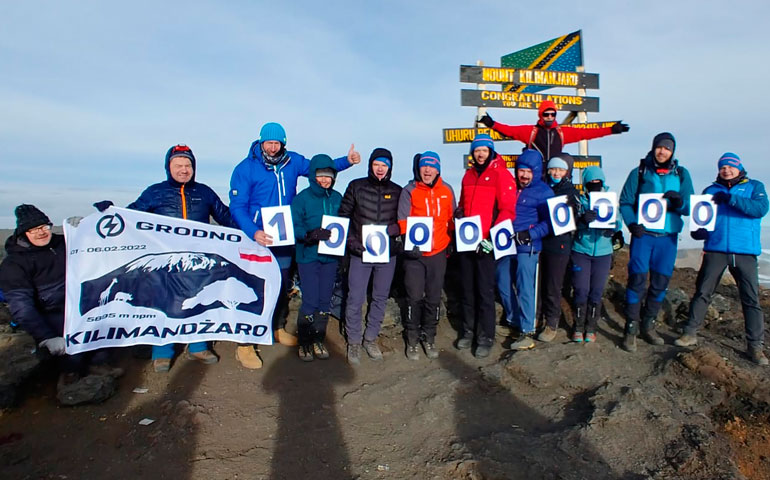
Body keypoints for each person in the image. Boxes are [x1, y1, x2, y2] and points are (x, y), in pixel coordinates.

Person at [229, 122, 360, 368]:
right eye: (269, 142)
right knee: (255, 288)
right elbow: (237, 207)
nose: (273, 146)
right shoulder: (246, 169)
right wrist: (253, 231)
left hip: (284, 238)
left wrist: (347, 161)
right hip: (257, 237)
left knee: (280, 285)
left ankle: (276, 327)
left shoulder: (292, 162)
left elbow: (319, 168)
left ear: (283, 144)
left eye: (278, 143)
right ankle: (245, 344)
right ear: (261, 141)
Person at [0, 205, 122, 401]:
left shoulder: (64, 242)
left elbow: (100, 243)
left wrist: (87, 227)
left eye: (44, 227)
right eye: (34, 229)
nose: (41, 232)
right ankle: (69, 374)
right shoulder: (14, 264)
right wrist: (46, 337)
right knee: (68, 340)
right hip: (51, 310)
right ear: (23, 233)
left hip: (81, 300)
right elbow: (21, 305)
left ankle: (98, 363)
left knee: (104, 321)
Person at [675, 153, 769, 365]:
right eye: (722, 167)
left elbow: (760, 209)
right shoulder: (710, 191)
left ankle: (755, 347)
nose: (726, 170)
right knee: (702, 292)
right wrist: (698, 232)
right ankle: (689, 333)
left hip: (745, 251)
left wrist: (731, 198)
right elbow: (701, 217)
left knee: (751, 299)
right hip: (716, 249)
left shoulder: (754, 186)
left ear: (738, 167)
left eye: (730, 167)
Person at [618, 132, 694, 352]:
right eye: (659, 147)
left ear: (673, 151)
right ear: (653, 148)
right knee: (637, 281)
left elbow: (690, 206)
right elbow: (625, 202)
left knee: (660, 283)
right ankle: (630, 328)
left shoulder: (681, 174)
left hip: (668, 238)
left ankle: (648, 325)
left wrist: (679, 202)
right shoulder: (639, 172)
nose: (663, 151)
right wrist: (632, 224)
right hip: (643, 236)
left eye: (667, 148)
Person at [338, 148, 401, 365]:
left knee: (380, 297)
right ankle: (354, 341)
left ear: (390, 167)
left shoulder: (397, 191)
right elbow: (343, 217)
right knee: (355, 297)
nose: (380, 168)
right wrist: (351, 242)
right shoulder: (356, 186)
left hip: (387, 254)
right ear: (370, 165)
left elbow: (405, 220)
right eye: (376, 164)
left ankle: (371, 338)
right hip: (360, 253)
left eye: (384, 164)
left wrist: (396, 229)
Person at [456, 134, 517, 358]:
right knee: (467, 289)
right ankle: (468, 331)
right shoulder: (468, 175)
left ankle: (485, 336)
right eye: (477, 150)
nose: (480, 154)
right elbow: (464, 203)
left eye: (484, 150)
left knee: (484, 290)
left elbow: (508, 210)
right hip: (467, 241)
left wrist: (492, 238)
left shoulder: (501, 174)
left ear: (490, 151)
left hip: (487, 243)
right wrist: (460, 213)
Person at [397, 151, 456, 360]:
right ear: (419, 168)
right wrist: (407, 243)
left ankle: (429, 336)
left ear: (438, 168)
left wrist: (451, 242)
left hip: (438, 252)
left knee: (433, 297)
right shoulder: (409, 191)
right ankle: (412, 338)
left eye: (432, 166)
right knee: (413, 297)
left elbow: (451, 218)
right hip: (415, 254)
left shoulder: (447, 190)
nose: (428, 170)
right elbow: (403, 220)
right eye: (424, 166)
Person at [290, 154, 343, 362]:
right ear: (313, 175)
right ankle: (304, 341)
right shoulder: (302, 198)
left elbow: (345, 221)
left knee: (324, 301)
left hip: (330, 257)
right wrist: (309, 235)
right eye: (320, 175)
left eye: (328, 175)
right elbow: (294, 224)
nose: (324, 179)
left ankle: (318, 338)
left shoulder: (337, 197)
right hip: (308, 255)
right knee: (310, 300)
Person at [478, 100, 629, 167]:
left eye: (553, 114)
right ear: (540, 115)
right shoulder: (531, 132)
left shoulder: (562, 133)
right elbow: (510, 131)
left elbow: (586, 133)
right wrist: (492, 124)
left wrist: (611, 130)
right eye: (546, 114)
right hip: (535, 175)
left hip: (554, 173)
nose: (550, 117)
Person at [505, 150, 554, 350]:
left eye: (528, 171)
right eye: (520, 171)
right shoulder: (511, 187)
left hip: (529, 247)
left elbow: (550, 223)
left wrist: (530, 234)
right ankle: (514, 321)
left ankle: (527, 330)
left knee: (526, 287)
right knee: (502, 282)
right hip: (506, 244)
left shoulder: (544, 192)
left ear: (536, 171)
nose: (523, 175)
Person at [570, 166, 623, 343]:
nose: (594, 184)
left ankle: (591, 326)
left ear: (603, 182)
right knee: (581, 290)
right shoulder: (580, 200)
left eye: (597, 181)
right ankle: (578, 326)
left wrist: (613, 227)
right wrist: (582, 220)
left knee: (596, 291)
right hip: (581, 250)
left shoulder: (610, 200)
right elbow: (571, 223)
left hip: (603, 251)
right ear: (585, 183)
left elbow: (618, 222)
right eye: (591, 182)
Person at [537, 154, 580, 343]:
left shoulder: (572, 192)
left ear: (567, 172)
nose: (555, 173)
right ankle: (536, 318)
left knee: (553, 285)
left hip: (560, 244)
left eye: (560, 169)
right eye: (553, 169)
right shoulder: (541, 188)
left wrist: (575, 212)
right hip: (541, 241)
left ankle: (551, 323)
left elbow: (577, 220)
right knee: (538, 283)